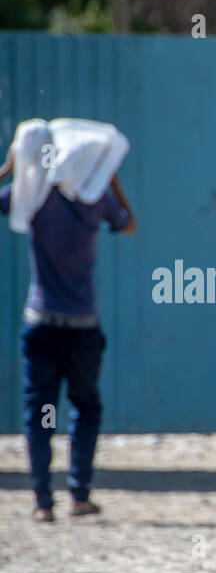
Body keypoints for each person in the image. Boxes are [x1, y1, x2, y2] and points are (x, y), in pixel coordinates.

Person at [0, 121, 136, 522]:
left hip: (40, 323)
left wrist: (9, 167)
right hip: (82, 326)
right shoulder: (93, 202)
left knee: (39, 410)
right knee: (85, 406)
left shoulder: (32, 197)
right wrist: (110, 180)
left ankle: (43, 501)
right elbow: (127, 223)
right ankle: (79, 493)